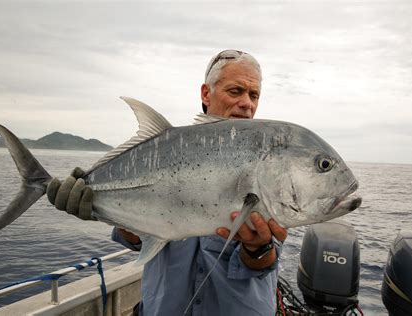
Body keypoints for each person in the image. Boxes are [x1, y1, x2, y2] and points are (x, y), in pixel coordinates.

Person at [47, 49, 288, 315]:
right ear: (206, 94)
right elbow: (137, 236)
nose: (247, 103)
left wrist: (257, 247)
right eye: (235, 91)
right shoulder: (165, 152)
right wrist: (95, 206)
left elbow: (265, 261)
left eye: (254, 95)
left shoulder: (265, 160)